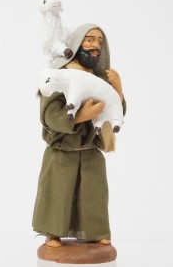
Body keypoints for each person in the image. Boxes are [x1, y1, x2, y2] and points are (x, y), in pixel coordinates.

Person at [32, 23, 126, 248]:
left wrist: (118, 90)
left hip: (90, 150)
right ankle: (53, 233)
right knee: (58, 194)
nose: (95, 46)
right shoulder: (61, 75)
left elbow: (115, 112)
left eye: (99, 42)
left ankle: (95, 232)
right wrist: (81, 116)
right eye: (90, 40)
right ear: (76, 44)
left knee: (93, 195)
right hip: (62, 151)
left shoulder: (101, 79)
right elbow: (50, 115)